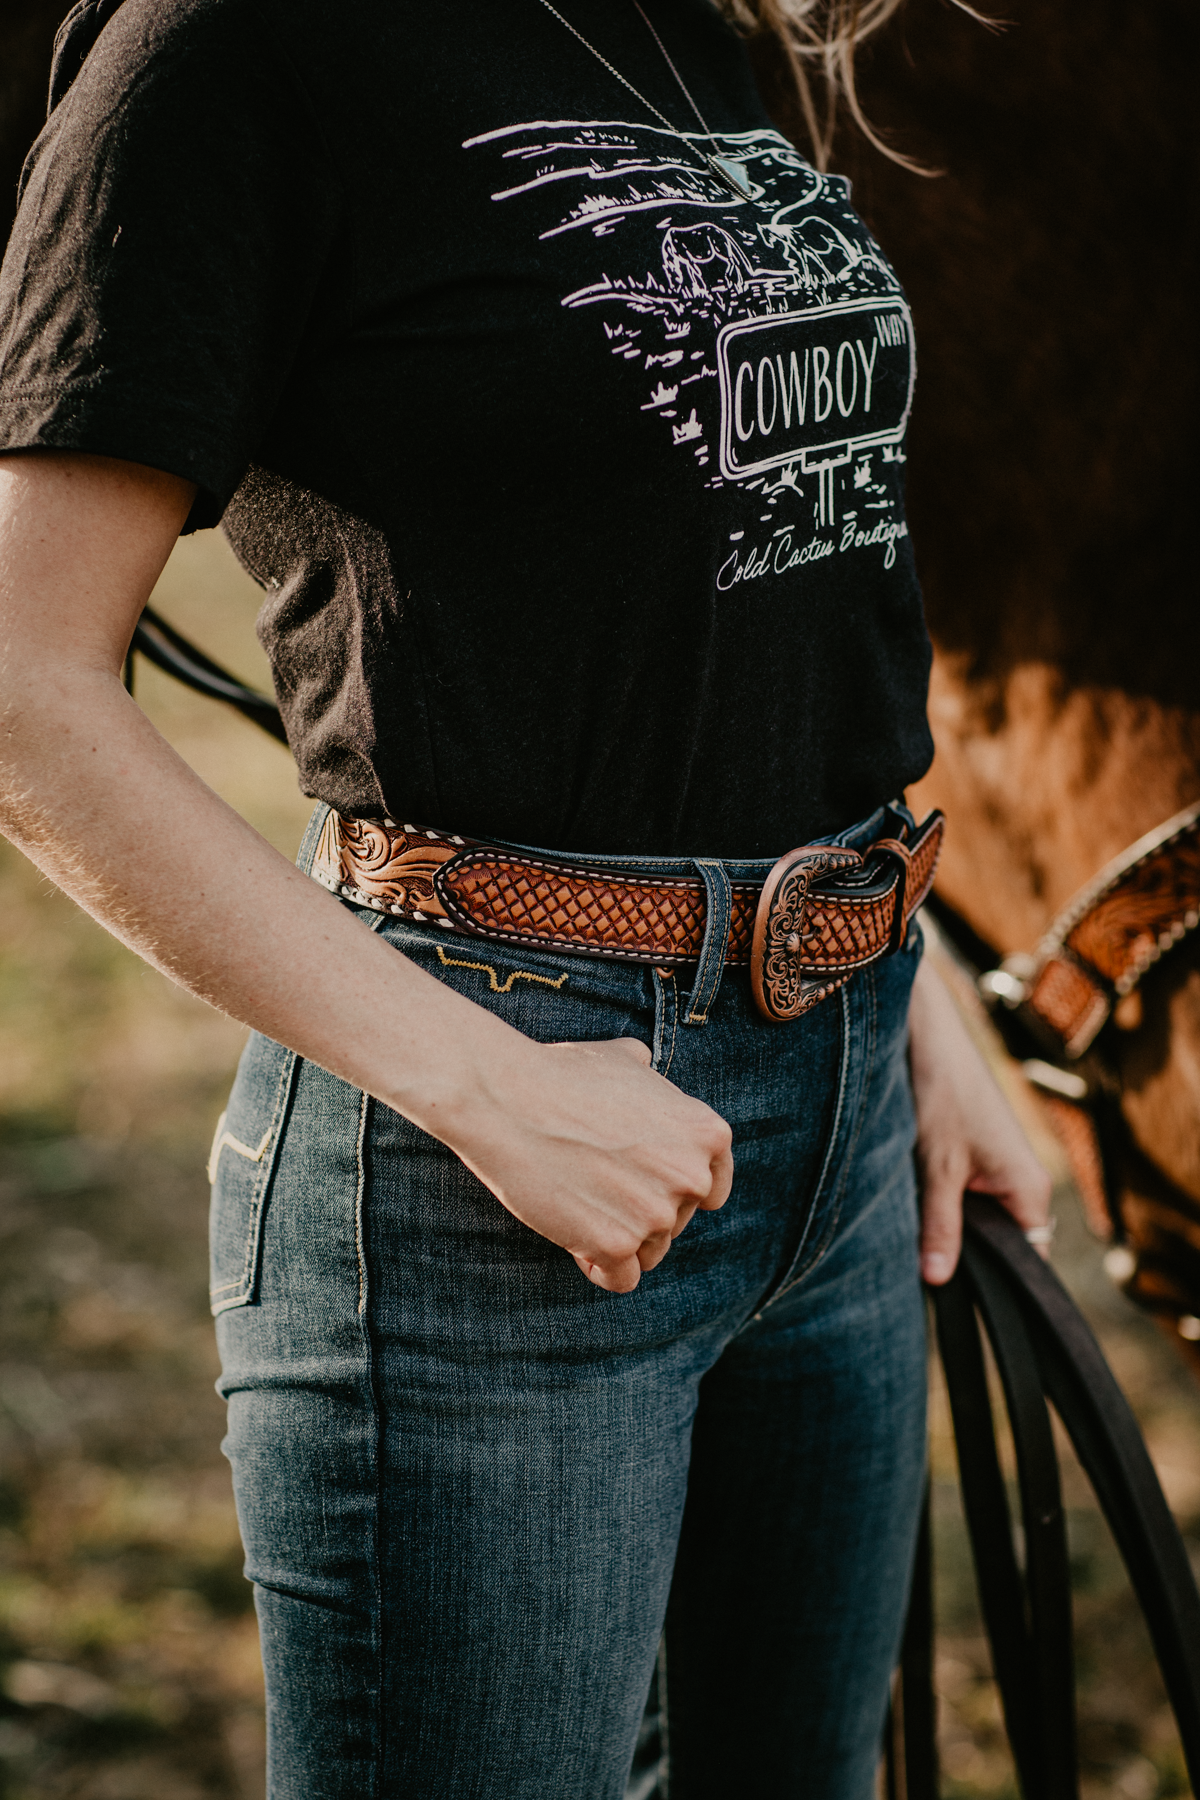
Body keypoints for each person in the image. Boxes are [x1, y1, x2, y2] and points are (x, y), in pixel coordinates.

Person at [0, 0, 1050, 1793]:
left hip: (846, 1125)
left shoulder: (716, 35)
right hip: (494, 1159)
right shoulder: (232, 54)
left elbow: (769, 566)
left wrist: (911, 993)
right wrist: (486, 1086)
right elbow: (24, 688)